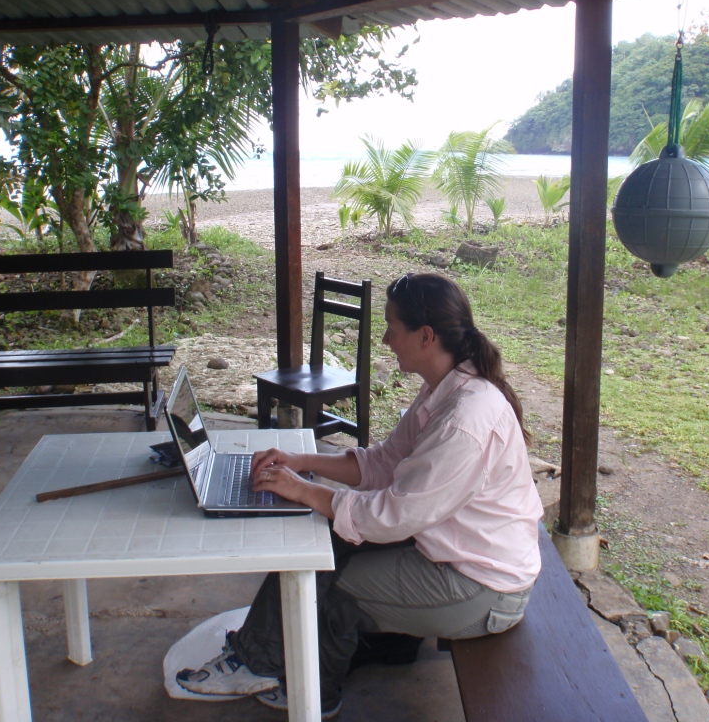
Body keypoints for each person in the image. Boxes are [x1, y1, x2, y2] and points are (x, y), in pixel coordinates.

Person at [177, 272, 543, 718]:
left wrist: (305, 491)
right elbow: (385, 463)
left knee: (330, 585)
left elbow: (393, 514)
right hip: (453, 546)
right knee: (326, 541)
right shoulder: (445, 391)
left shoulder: (466, 420)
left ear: (425, 336)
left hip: (481, 585)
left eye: (392, 327)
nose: (386, 339)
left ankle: (308, 689)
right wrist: (302, 462)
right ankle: (268, 654)